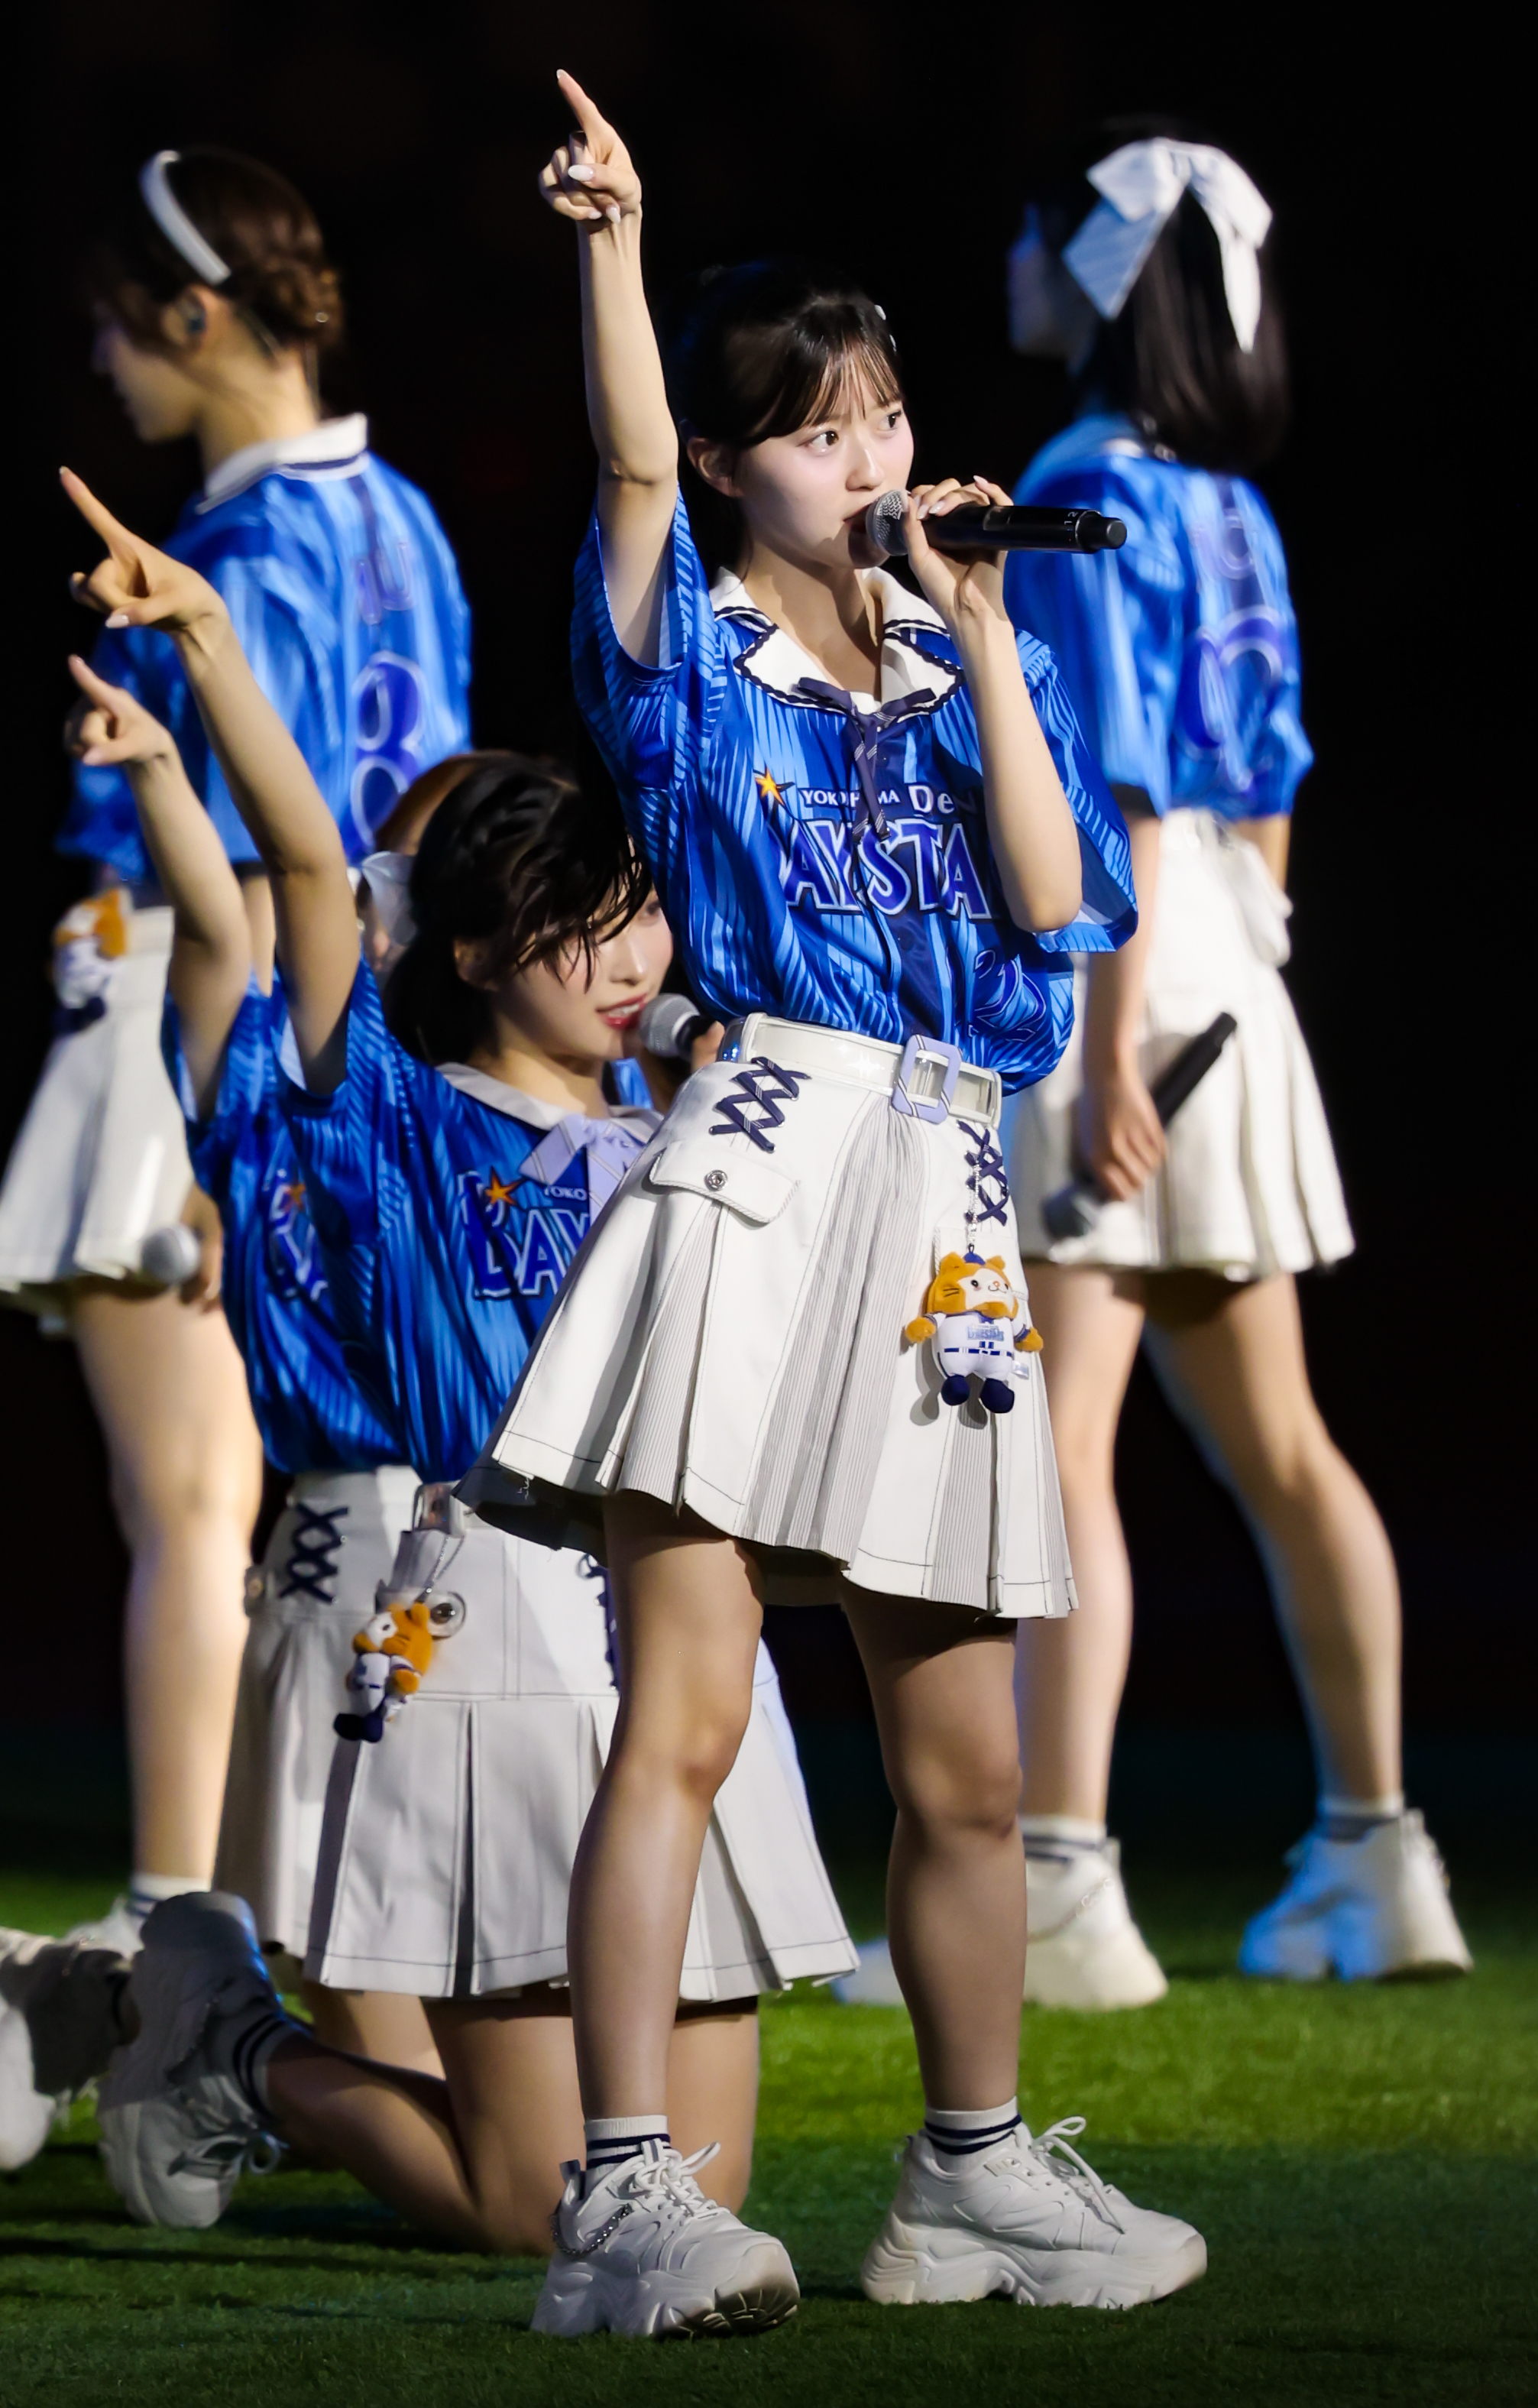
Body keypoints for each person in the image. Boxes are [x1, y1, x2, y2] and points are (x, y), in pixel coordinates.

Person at [452, 73, 1204, 2336]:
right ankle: (618, 2200)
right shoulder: (684, 651)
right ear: (734, 456)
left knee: (966, 1764)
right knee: (680, 1711)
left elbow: (1053, 910)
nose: (865, 458)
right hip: (767, 1172)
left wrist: (973, 629)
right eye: (812, 428)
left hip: (947, 1199)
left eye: (883, 416)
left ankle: (966, 2174)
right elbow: (617, 461)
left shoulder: (963, 661)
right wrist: (614, 241)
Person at [50, 494, 854, 2251]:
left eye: (643, 914)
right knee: (535, 2210)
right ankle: (226, 2044)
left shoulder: (690, 1123)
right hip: (482, 1635)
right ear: (476, 951)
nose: (635, 955)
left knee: (703, 2202)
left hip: (679, 1636)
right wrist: (203, 649)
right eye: (588, 924)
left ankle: (215, 2030)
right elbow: (293, 874)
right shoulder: (397, 1119)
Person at [999, 126, 1471, 2002]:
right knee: (1281, 1448)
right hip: (1231, 962)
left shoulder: (1073, 482)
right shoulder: (1231, 508)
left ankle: (1055, 1879)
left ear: (1100, 274)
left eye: (1035, 239)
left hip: (1115, 964)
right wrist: (1221, 991)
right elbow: (1263, 794)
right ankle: (1377, 1853)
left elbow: (1095, 777)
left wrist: (1112, 1042)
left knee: (1060, 1451)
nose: (1013, 264)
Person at [0, 147, 471, 1952]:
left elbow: (269, 866)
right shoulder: (408, 518)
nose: (105, 363)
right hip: (372, 1030)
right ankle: (284, 1915)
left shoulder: (239, 546)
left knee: (198, 1505)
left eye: (119, 326)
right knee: (307, 1509)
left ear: (195, 315)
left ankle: (171, 1938)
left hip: (204, 1022)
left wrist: (228, 1134)